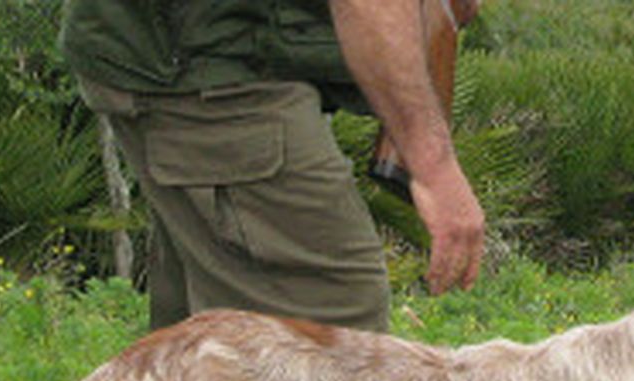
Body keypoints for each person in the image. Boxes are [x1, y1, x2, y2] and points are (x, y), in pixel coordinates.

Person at [59, 0, 486, 332]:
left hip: (189, 52)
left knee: (208, 356)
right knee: (331, 326)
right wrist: (433, 166)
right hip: (209, 67)